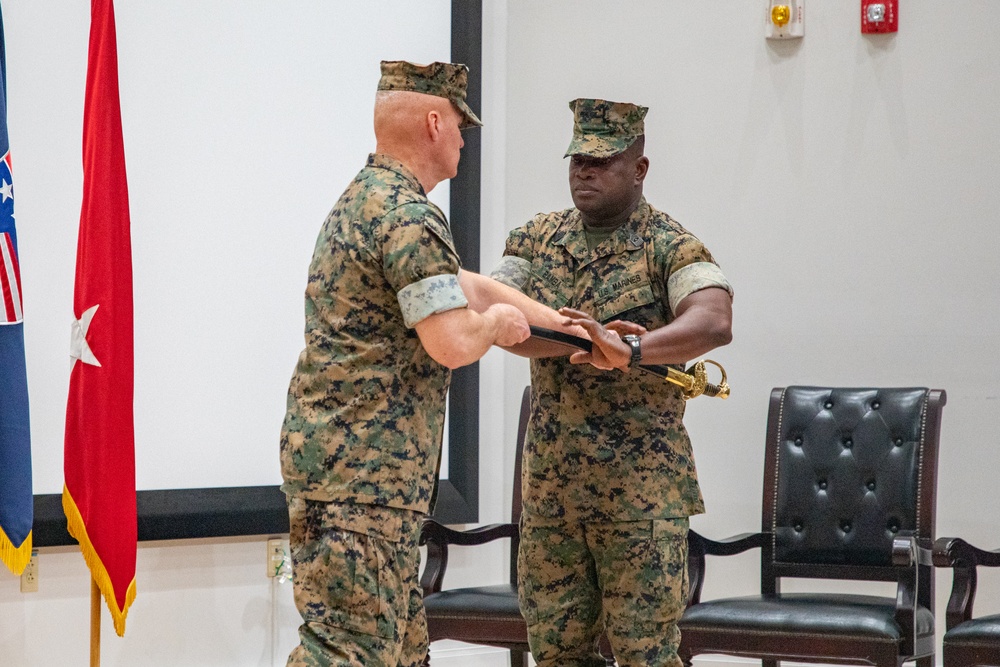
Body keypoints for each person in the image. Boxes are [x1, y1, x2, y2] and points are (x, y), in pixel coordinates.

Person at [279, 61, 599, 667]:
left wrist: (561, 326)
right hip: (364, 485)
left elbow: (465, 287)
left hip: (357, 481)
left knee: (400, 653)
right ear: (433, 121)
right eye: (458, 124)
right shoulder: (409, 215)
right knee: (347, 654)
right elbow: (453, 339)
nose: (461, 137)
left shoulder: (368, 201)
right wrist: (501, 330)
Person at [490, 98, 734, 667]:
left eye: (602, 161)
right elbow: (500, 318)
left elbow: (714, 321)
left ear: (639, 169)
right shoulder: (533, 240)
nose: (585, 172)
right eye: (578, 160)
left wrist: (628, 350)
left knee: (645, 655)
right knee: (555, 653)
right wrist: (583, 339)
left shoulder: (669, 244)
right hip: (552, 494)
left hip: (640, 497)